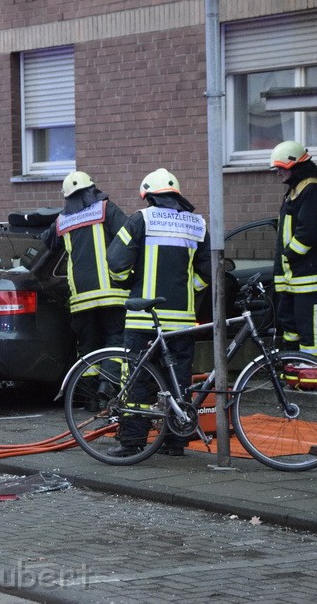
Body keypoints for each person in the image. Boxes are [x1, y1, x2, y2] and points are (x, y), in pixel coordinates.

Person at [106, 168, 211, 457]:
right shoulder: (197, 225)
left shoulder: (141, 220)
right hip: (182, 320)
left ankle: (132, 443)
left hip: (143, 319)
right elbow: (206, 272)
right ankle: (175, 442)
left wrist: (127, 281)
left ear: (148, 196)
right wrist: (189, 289)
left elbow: (116, 261)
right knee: (178, 379)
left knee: (138, 379)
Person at [41, 171, 129, 409]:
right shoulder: (107, 210)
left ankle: (90, 400)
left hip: (81, 299)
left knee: (88, 348)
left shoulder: (62, 220)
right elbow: (128, 237)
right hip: (112, 294)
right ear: (93, 189)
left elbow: (48, 241)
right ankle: (108, 386)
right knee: (115, 341)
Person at [269, 140, 317, 356]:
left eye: (281, 168)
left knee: (308, 329)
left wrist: (290, 255)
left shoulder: (313, 189)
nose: (278, 173)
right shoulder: (295, 190)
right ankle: (292, 366)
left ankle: (311, 370)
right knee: (290, 326)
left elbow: (308, 230)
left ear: (295, 166)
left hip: (307, 275)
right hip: (291, 276)